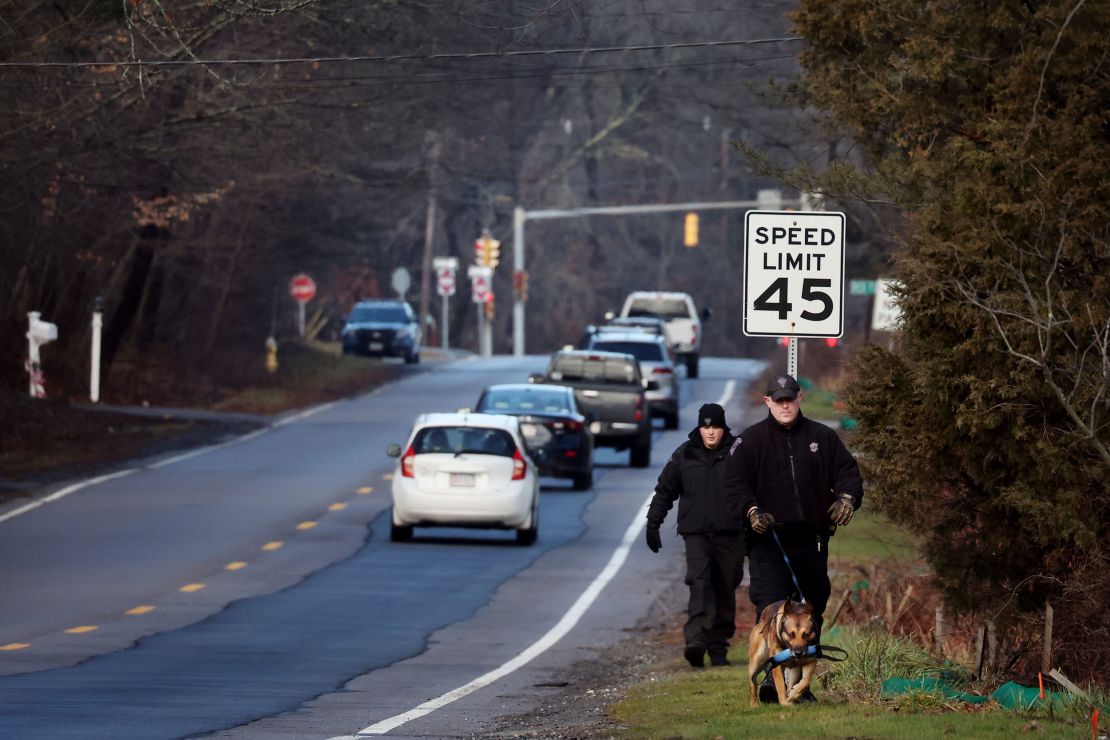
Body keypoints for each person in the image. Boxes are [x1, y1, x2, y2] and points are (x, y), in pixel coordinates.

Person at [724, 373, 863, 701]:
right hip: (768, 540)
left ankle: (801, 684)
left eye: (790, 399)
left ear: (799, 399)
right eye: (778, 400)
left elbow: (848, 473)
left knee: (810, 612)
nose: (785, 405)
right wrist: (751, 510)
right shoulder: (750, 442)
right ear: (768, 402)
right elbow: (733, 485)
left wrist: (847, 498)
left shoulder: (823, 437)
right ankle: (774, 680)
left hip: (811, 540)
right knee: (773, 610)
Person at [645, 403, 747, 668]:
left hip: (732, 533)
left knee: (725, 587)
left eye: (715, 427)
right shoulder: (685, 454)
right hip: (697, 534)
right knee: (700, 584)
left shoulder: (739, 452)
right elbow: (665, 490)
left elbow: (758, 488)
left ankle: (718, 647)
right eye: (706, 427)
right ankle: (696, 641)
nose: (711, 432)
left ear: (724, 428)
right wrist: (653, 524)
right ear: (699, 428)